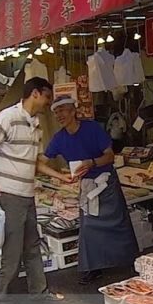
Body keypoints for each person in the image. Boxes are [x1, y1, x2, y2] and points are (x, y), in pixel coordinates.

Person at [0, 77, 63, 304]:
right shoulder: (8, 117)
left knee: (32, 245)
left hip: (27, 195)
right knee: (13, 249)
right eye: (47, 96)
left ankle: (39, 291)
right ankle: (3, 300)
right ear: (35, 93)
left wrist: (60, 176)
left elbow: (35, 162)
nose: (48, 102)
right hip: (10, 194)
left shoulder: (36, 125)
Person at [38, 95, 139, 286]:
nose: (59, 115)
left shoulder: (92, 128)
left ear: (73, 111)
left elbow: (109, 156)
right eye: (56, 112)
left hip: (106, 183)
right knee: (89, 227)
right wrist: (60, 176)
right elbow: (40, 163)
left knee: (118, 224)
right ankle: (92, 267)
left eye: (63, 110)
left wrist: (91, 162)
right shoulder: (59, 139)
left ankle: (131, 261)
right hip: (87, 186)